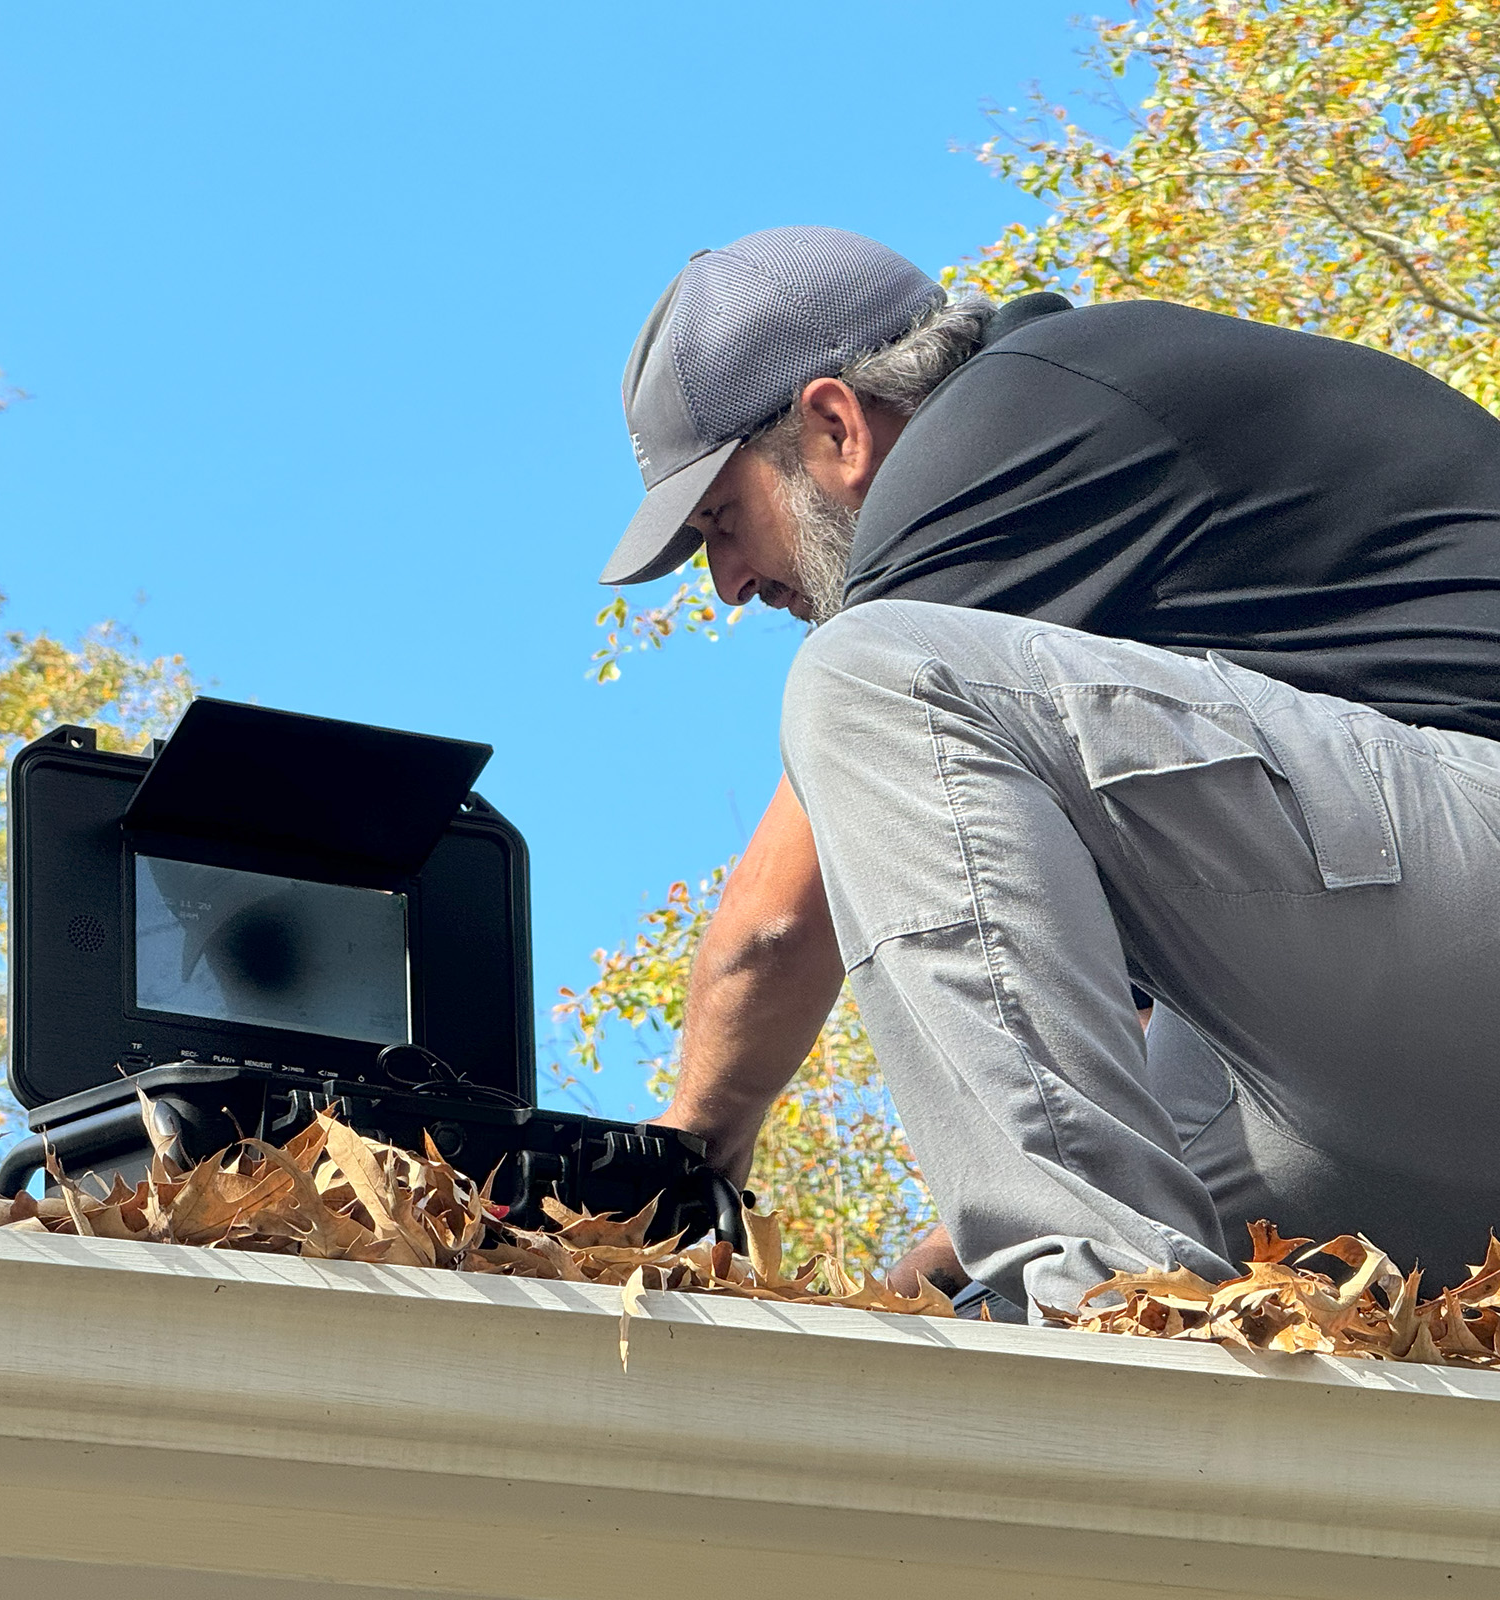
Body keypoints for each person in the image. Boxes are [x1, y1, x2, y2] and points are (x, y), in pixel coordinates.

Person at [601, 225, 1500, 1318]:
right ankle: (1091, 1331)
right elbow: (1076, 1075)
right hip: (1417, 1030)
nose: (729, 583)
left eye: (719, 523)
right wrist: (910, 1305)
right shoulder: (1093, 536)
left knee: (861, 677)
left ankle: (1105, 1333)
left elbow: (777, 930)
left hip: (1462, 884)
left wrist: (682, 1166)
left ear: (835, 425)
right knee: (1065, 1267)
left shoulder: (1003, 423)